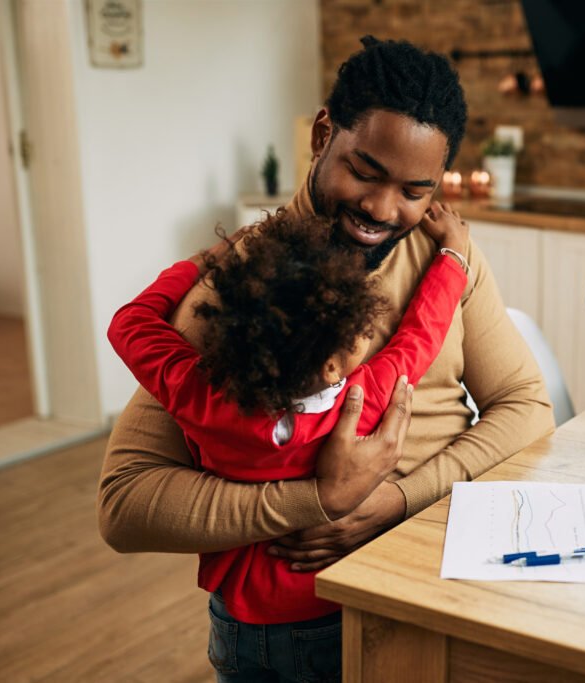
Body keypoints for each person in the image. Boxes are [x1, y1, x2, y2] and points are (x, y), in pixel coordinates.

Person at [98, 36, 554, 681]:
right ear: (322, 134)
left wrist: (394, 502)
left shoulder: (446, 255)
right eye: (364, 172)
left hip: (429, 584)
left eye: (415, 190)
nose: (381, 208)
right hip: (295, 617)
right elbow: (126, 504)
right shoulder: (241, 289)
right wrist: (319, 500)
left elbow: (526, 409)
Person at [107, 204, 468, 634]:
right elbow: (421, 332)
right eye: (360, 328)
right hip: (320, 611)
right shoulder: (361, 401)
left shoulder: (198, 394)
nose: (369, 334)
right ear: (333, 367)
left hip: (235, 617)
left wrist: (207, 259)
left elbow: (129, 323)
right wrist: (455, 255)